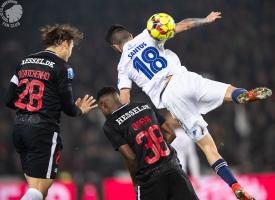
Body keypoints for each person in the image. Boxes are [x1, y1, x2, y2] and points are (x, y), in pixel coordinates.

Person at [105, 11, 272, 199]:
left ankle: (235, 185)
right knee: (230, 91)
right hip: (184, 78)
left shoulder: (122, 66)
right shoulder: (148, 34)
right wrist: (205, 20)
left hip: (169, 96)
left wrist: (121, 119)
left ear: (115, 47)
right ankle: (242, 96)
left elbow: (125, 99)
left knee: (208, 147)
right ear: (131, 36)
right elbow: (184, 24)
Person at [5, 24, 97, 200]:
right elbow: (68, 108)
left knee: (37, 189)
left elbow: (9, 99)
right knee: (38, 189)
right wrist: (80, 110)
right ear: (64, 43)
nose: (70, 53)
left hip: (20, 129)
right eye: (71, 47)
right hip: (43, 131)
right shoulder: (63, 67)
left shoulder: (23, 62)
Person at [97, 86, 199, 200]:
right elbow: (171, 133)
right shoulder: (144, 106)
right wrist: (156, 149)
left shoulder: (110, 125)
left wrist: (135, 182)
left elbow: (130, 157)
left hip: (150, 180)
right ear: (118, 98)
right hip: (174, 170)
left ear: (103, 106)